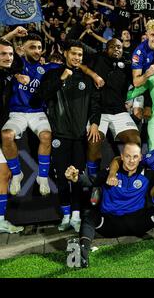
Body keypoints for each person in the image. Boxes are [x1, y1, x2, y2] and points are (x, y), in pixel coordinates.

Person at [64, 143, 154, 268]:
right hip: (111, 223)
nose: (131, 160)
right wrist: (75, 178)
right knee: (89, 215)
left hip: (137, 222)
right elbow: (89, 180)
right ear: (122, 157)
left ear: (140, 158)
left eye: (135, 157)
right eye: (128, 156)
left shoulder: (147, 173)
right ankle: (82, 254)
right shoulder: (110, 173)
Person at [37, 40, 101, 232]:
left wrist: (95, 123)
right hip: (60, 137)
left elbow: (95, 105)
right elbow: (40, 97)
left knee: (77, 178)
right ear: (65, 53)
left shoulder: (86, 79)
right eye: (73, 54)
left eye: (80, 55)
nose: (77, 58)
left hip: (80, 137)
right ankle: (65, 216)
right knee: (63, 178)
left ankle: (75, 216)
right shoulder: (53, 74)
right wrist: (61, 79)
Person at [1, 33, 60, 196]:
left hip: (37, 113)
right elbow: (4, 52)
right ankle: (17, 174)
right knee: (6, 136)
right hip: (17, 113)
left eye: (40, 48)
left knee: (46, 136)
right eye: (32, 47)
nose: (37, 51)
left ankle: (42, 177)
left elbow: (70, 65)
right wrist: (16, 74)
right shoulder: (16, 64)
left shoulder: (47, 68)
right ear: (22, 49)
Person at [85, 38, 141, 177]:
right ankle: (94, 180)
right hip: (99, 111)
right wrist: (94, 75)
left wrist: (138, 103)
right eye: (113, 47)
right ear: (106, 49)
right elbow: (79, 64)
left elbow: (139, 80)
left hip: (119, 111)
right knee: (93, 140)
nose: (117, 49)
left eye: (119, 47)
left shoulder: (127, 64)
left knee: (135, 141)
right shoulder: (97, 58)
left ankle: (125, 175)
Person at [0, 39, 24, 233]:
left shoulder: (8, 73)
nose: (8, 57)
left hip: (1, 130)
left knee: (4, 175)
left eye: (10, 54)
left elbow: (18, 63)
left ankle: (0, 220)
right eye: (3, 54)